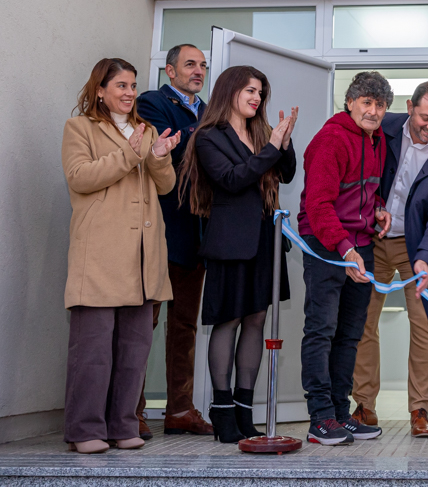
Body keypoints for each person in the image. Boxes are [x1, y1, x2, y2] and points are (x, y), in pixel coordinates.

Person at [61, 58, 181, 454]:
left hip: (143, 257)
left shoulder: (144, 131)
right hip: (100, 255)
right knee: (93, 351)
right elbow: (80, 177)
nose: (130, 93)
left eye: (133, 86)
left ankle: (122, 424)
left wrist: (159, 154)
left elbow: (165, 187)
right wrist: (130, 154)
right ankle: (84, 430)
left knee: (133, 350)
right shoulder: (80, 128)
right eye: (121, 86)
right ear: (100, 90)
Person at [178, 65, 298, 444]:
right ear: (229, 90)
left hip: (265, 238)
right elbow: (232, 179)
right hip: (230, 240)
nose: (256, 98)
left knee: (256, 321)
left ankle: (246, 410)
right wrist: (270, 148)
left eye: (260, 92)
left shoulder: (263, 132)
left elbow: (289, 173)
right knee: (227, 321)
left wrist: (285, 142)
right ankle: (222, 407)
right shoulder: (209, 137)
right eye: (249, 90)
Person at [351, 81, 428, 438]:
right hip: (371, 239)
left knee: (424, 324)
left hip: (416, 245)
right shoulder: (382, 127)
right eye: (425, 117)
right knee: (361, 320)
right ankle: (364, 406)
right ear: (409, 107)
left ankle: (420, 409)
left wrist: (426, 258)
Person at [298, 71, 393, 445]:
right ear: (351, 102)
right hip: (326, 245)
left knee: (350, 334)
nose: (373, 111)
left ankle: (340, 413)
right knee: (321, 330)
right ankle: (319, 418)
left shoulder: (377, 139)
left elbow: (369, 190)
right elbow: (318, 205)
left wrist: (380, 208)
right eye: (366, 102)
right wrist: (345, 249)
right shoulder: (331, 140)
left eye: (379, 105)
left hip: (360, 244)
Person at [134, 44, 212, 438]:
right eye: (190, 64)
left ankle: (179, 410)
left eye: (202, 65)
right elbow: (170, 153)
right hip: (158, 230)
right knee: (142, 322)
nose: (198, 71)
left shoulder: (208, 111)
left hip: (195, 235)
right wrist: (211, 146)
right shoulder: (151, 103)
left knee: (184, 325)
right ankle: (130, 411)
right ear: (170, 71)